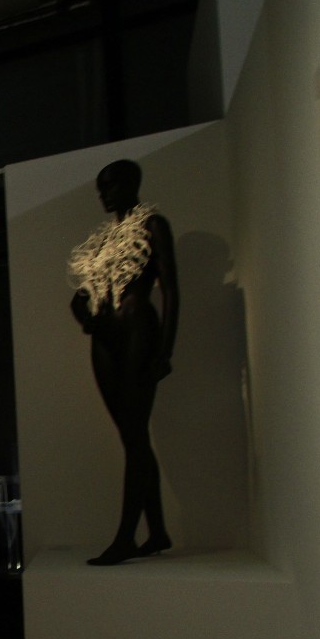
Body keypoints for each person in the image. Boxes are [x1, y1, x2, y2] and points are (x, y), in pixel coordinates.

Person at [68, 159, 179, 565]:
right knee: (133, 436)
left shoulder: (152, 225)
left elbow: (170, 289)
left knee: (134, 435)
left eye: (111, 186)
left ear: (131, 184)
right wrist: (85, 317)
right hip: (105, 339)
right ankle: (157, 531)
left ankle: (127, 537)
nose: (105, 195)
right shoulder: (102, 241)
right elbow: (82, 295)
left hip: (137, 332)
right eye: (101, 188)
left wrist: (165, 351)